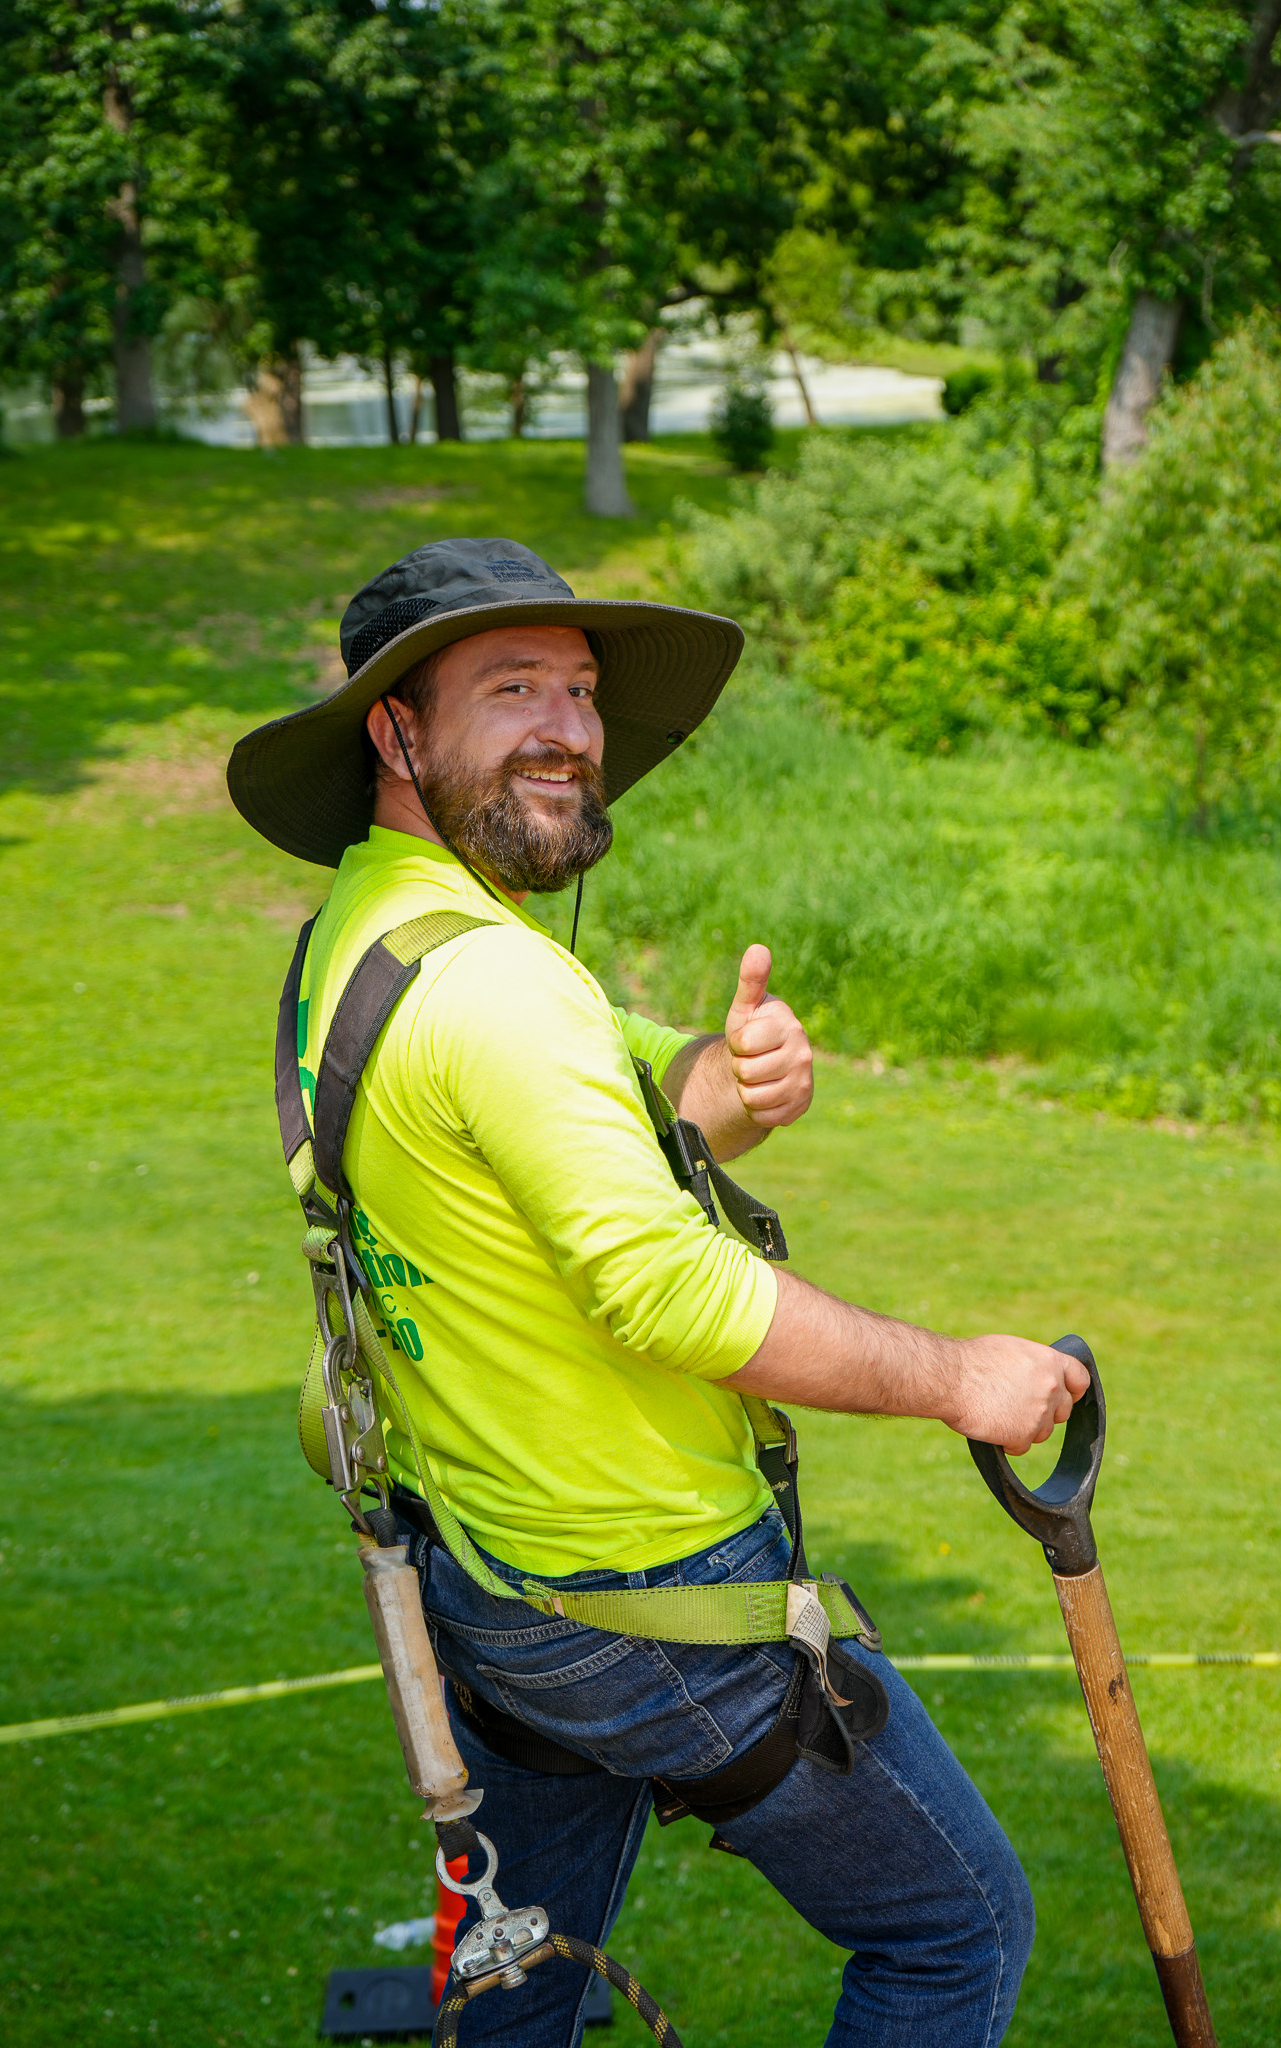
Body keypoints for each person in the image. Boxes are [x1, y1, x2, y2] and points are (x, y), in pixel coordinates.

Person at [228, 537, 1089, 2048]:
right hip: (648, 1602)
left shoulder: (370, 936)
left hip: (488, 1584)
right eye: (510, 688)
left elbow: (638, 1090)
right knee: (953, 1926)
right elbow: (672, 1293)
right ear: (396, 732)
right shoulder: (497, 987)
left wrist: (734, 1078)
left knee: (518, 1967)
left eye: (577, 686)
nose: (567, 723)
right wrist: (963, 1377)